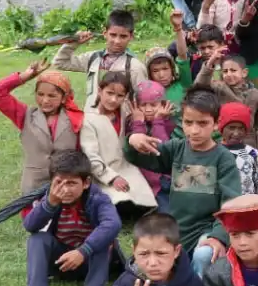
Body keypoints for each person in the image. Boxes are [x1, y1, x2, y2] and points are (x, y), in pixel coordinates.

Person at [124, 88, 243, 274]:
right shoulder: (176, 149)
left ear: (216, 124)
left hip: (207, 229)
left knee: (203, 255)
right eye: (189, 122)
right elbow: (140, 157)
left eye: (203, 123)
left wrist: (218, 237)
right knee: (140, 265)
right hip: (176, 229)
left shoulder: (223, 158)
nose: (194, 130)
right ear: (182, 122)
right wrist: (132, 140)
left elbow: (231, 204)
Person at [17, 150, 123, 286]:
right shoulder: (52, 198)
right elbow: (30, 225)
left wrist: (84, 251)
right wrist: (49, 204)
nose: (65, 189)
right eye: (59, 183)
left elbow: (113, 224)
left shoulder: (98, 199)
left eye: (72, 183)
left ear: (86, 183)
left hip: (92, 262)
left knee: (105, 239)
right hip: (63, 263)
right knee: (37, 239)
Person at [0, 59, 84, 197]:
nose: (45, 100)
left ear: (64, 98)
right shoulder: (26, 116)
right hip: (34, 186)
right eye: (40, 94)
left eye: (52, 96)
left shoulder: (76, 119)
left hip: (66, 187)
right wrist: (24, 77)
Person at [81, 72, 156, 209]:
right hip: (103, 172)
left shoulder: (125, 111)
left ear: (126, 97)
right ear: (99, 91)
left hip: (127, 167)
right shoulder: (88, 120)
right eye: (109, 93)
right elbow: (90, 156)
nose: (114, 100)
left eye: (119, 96)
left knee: (144, 201)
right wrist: (112, 177)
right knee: (120, 201)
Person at [52, 9, 149, 110]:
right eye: (113, 35)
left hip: (119, 123)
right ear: (105, 33)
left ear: (131, 37)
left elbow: (143, 100)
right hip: (91, 120)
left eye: (123, 36)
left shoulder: (135, 67)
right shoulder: (93, 58)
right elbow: (60, 62)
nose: (117, 41)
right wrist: (74, 42)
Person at [197, 54, 258, 147]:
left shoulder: (256, 94)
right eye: (225, 71)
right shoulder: (219, 88)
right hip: (222, 141)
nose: (229, 74)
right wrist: (210, 64)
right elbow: (199, 86)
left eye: (233, 70)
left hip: (248, 142)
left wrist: (253, 130)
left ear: (244, 72)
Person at [128, 81, 176, 210]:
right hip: (144, 181)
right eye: (143, 105)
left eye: (154, 105)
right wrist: (138, 123)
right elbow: (140, 147)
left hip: (164, 180)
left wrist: (158, 121)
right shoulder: (134, 122)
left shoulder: (169, 123)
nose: (148, 109)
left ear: (163, 105)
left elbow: (162, 149)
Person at [219, 102, 258, 200]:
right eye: (231, 128)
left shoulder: (252, 153)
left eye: (241, 128)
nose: (236, 133)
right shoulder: (214, 152)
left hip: (248, 203)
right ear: (222, 128)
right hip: (223, 206)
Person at [148, 11, 194, 108]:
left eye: (165, 69)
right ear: (149, 74)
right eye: (155, 70)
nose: (161, 75)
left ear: (172, 69)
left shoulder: (183, 84)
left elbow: (182, 55)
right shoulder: (148, 94)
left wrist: (178, 29)